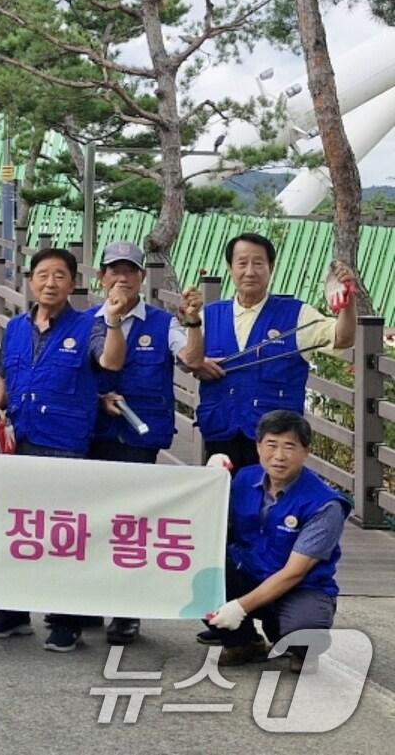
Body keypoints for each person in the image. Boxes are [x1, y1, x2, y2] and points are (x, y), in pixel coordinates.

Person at [0, 247, 99, 652]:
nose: (51, 283)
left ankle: (67, 620)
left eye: (60, 276)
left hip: (63, 442)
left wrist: (114, 322)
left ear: (73, 283)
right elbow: (8, 379)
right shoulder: (15, 328)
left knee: (63, 535)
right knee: (16, 529)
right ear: (30, 280)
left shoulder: (89, 326)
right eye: (43, 275)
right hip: (19, 438)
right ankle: (14, 612)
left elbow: (111, 363)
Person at [178, 232, 359, 469]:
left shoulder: (298, 314)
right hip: (221, 434)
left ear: (270, 268)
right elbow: (186, 359)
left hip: (277, 444)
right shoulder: (209, 315)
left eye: (258, 263)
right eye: (242, 263)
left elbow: (343, 338)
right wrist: (197, 354)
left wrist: (347, 302)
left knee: (272, 504)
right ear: (230, 267)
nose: (250, 271)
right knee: (224, 502)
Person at [88, 241, 187, 646]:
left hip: (138, 438)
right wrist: (97, 400)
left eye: (130, 271)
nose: (122, 278)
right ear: (101, 277)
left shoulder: (165, 324)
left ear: (143, 278)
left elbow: (191, 358)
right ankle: (88, 601)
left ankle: (126, 612)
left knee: (131, 525)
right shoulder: (85, 322)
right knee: (91, 521)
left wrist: (194, 326)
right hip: (91, 434)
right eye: (114, 270)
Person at [204, 410, 350, 672]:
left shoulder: (325, 504)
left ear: (306, 452)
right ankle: (243, 643)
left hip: (300, 587)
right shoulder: (243, 478)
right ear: (258, 446)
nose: (279, 456)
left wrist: (239, 607)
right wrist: (211, 481)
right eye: (271, 445)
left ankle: (293, 643)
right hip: (248, 572)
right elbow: (202, 523)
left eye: (289, 447)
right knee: (199, 574)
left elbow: (295, 573)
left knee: (304, 635)